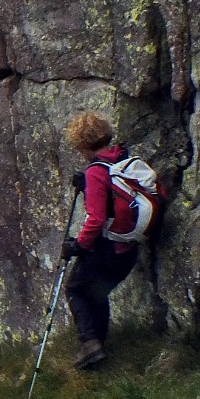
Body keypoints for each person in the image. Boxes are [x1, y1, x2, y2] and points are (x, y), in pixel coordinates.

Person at [61, 112, 140, 370]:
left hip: (106, 250)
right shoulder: (123, 159)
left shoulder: (96, 171)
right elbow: (113, 199)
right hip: (128, 248)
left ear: (82, 144)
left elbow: (96, 218)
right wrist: (85, 184)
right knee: (98, 291)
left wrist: (78, 246)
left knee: (75, 288)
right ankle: (98, 347)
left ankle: (90, 344)